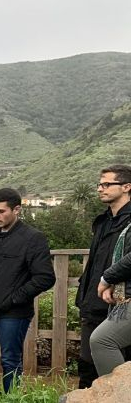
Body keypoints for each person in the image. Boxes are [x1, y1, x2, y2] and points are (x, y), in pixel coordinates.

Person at [0, 188, 55, 392]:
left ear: (16, 209)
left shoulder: (33, 238)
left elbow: (45, 277)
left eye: (1, 211)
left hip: (15, 312)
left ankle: (11, 402)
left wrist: (14, 298)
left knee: (9, 359)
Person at [76, 165, 131, 388]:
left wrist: (109, 279)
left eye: (107, 184)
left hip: (121, 304)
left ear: (126, 187)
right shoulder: (102, 221)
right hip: (93, 302)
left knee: (119, 367)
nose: (100, 189)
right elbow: (95, 264)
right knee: (87, 368)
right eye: (99, 184)